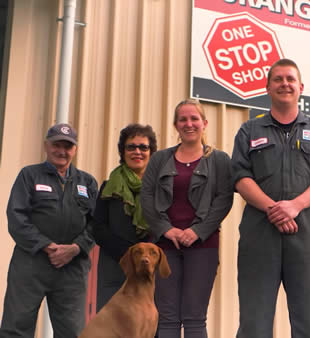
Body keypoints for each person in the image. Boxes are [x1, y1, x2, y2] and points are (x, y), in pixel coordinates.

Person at [231, 58, 310, 338]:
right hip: (259, 232)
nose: (285, 84)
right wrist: (274, 210)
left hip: (307, 232)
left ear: (301, 87)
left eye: (290, 79)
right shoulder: (249, 130)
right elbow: (241, 177)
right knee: (254, 319)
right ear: (267, 87)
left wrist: (295, 206)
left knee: (309, 319)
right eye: (278, 79)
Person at [141, 99, 233, 338]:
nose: (189, 124)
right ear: (175, 124)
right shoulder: (160, 159)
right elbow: (147, 197)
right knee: (168, 317)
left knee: (194, 317)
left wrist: (199, 231)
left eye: (194, 119)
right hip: (164, 246)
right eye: (183, 119)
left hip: (203, 246)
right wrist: (166, 229)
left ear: (204, 123)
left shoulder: (219, 160)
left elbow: (224, 199)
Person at [0, 123, 98, 337]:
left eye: (67, 146)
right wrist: (46, 246)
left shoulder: (88, 182)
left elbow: (96, 224)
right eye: (56, 145)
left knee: (72, 331)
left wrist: (75, 248)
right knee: (16, 327)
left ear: (75, 149)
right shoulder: (29, 175)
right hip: (31, 264)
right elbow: (16, 217)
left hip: (72, 268)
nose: (62, 151)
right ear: (46, 145)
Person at [92, 123, 157, 311]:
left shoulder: (159, 188)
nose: (137, 151)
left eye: (143, 147)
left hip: (149, 270)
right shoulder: (108, 186)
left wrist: (143, 257)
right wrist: (128, 255)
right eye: (131, 146)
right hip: (115, 267)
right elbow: (98, 228)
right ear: (123, 151)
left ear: (151, 152)